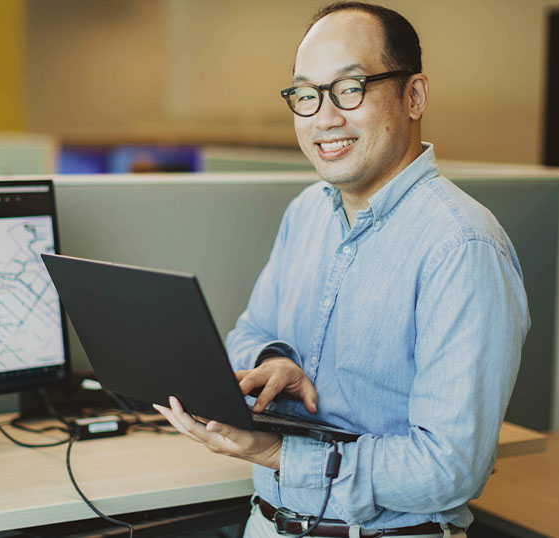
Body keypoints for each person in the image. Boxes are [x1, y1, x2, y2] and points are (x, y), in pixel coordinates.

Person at [153, 2, 530, 537]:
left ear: (414, 95)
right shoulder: (308, 210)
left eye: (350, 88)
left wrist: (279, 452)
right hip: (267, 525)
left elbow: (450, 469)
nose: (324, 118)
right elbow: (250, 331)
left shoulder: (461, 245)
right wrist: (275, 361)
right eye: (306, 95)